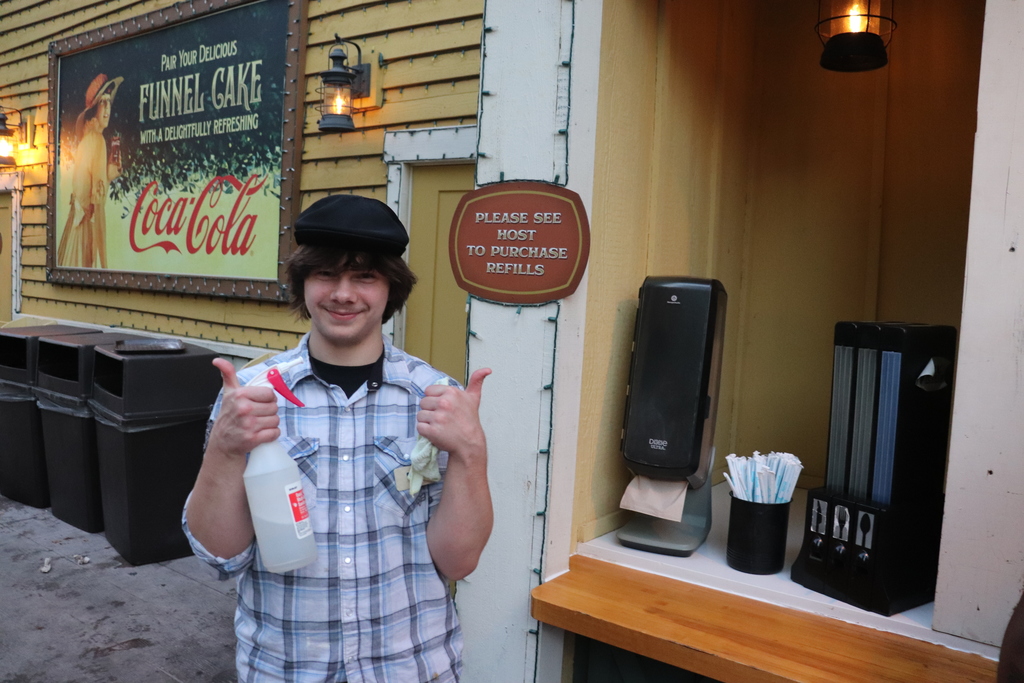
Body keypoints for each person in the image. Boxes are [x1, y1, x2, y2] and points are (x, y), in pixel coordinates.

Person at [183, 195, 493, 682]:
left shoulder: (437, 400)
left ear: (390, 288)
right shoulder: (252, 397)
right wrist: (223, 450)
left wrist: (472, 451)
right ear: (302, 283)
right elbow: (219, 557)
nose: (343, 293)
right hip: (286, 669)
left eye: (364, 276)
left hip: (412, 668)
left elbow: (458, 560)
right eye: (326, 273)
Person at [57, 72, 123, 269]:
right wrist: (104, 267)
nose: (107, 110)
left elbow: (87, 192)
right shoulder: (97, 141)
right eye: (103, 104)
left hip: (72, 234)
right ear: (93, 110)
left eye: (109, 103)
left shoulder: (87, 140)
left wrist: (108, 177)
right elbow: (98, 209)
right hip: (84, 235)